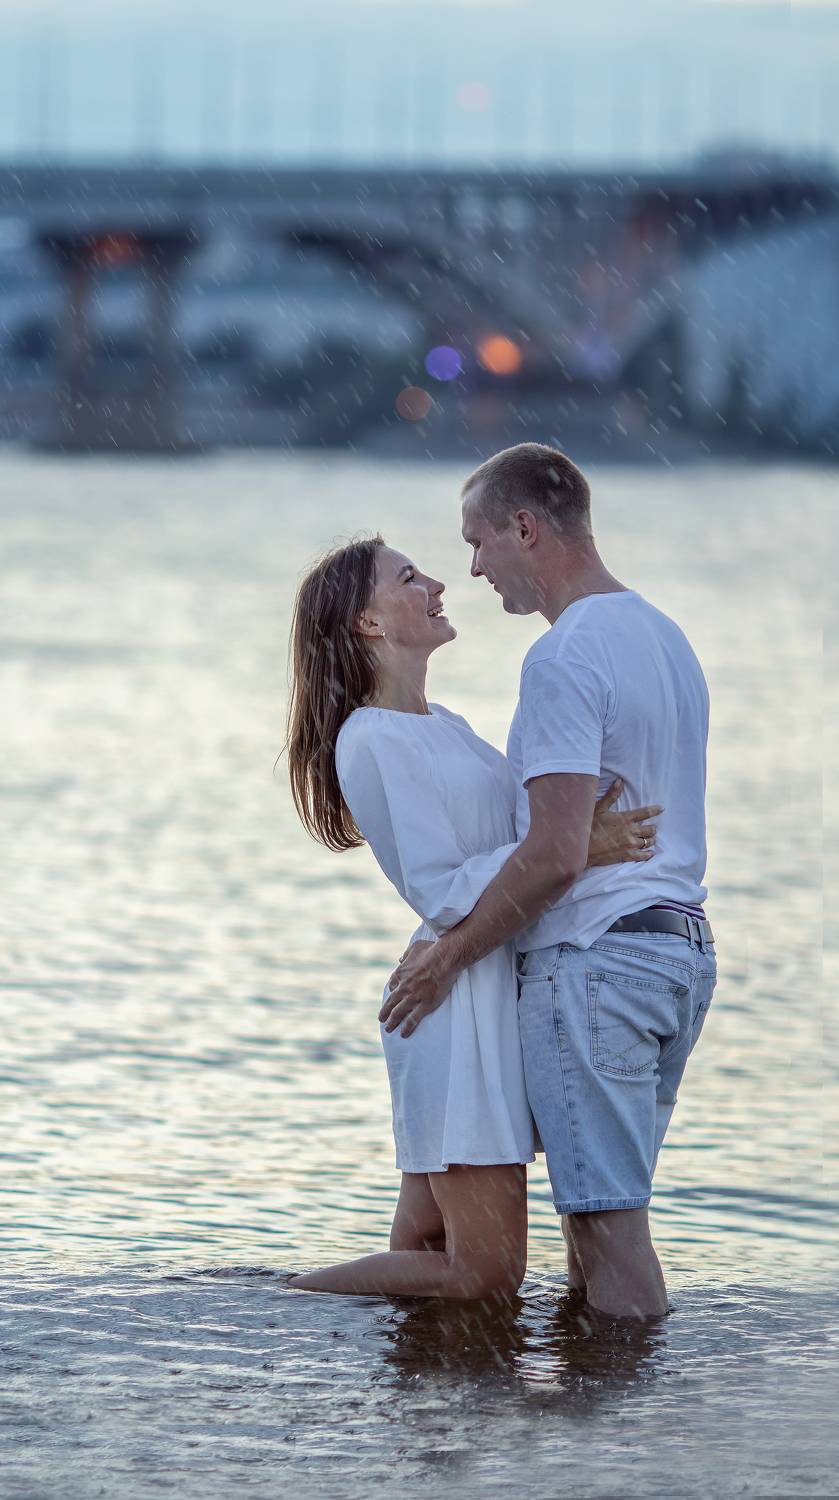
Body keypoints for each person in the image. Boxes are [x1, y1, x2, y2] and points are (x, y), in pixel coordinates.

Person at [379, 443, 717, 1320]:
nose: (473, 568)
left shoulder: (564, 656)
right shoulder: (663, 636)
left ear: (524, 527)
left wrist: (447, 956)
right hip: (677, 953)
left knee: (607, 1237)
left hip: (598, 964)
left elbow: (555, 853)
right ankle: (593, 1405)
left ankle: (628, 1404)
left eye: (478, 541)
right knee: (596, 1225)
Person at [283, 534, 660, 1300]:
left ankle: (407, 1369)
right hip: (455, 1006)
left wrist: (573, 825)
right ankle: (284, 1297)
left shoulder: (444, 724)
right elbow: (439, 888)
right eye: (408, 577)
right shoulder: (371, 738)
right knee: (484, 1274)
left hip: (476, 984)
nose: (436, 583)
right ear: (367, 623)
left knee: (431, 1242)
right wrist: (575, 847)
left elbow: (506, 840)